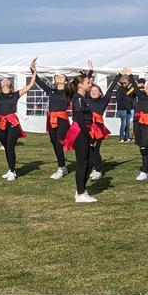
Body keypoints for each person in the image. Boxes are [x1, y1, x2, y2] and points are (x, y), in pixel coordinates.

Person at [62, 71, 100, 202]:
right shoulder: (78, 98)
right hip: (80, 133)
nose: (90, 84)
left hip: (86, 132)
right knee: (82, 163)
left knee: (90, 162)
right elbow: (80, 120)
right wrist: (89, 138)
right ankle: (80, 193)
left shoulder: (84, 98)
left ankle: (81, 190)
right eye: (88, 82)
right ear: (80, 85)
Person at [34, 69, 75, 179]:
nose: (59, 77)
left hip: (62, 120)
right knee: (54, 143)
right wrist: (33, 70)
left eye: (62, 76)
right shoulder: (51, 90)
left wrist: (89, 72)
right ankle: (63, 167)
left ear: (66, 81)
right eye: (57, 76)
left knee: (58, 143)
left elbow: (78, 82)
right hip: (51, 119)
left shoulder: (69, 92)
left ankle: (60, 168)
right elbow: (38, 81)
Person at [115, 74, 136, 143]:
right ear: (123, 83)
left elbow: (132, 96)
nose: (128, 83)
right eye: (127, 82)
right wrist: (123, 107)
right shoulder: (120, 90)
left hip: (128, 109)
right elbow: (119, 100)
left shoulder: (127, 89)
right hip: (123, 109)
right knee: (123, 124)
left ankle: (127, 137)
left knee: (128, 124)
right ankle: (121, 137)